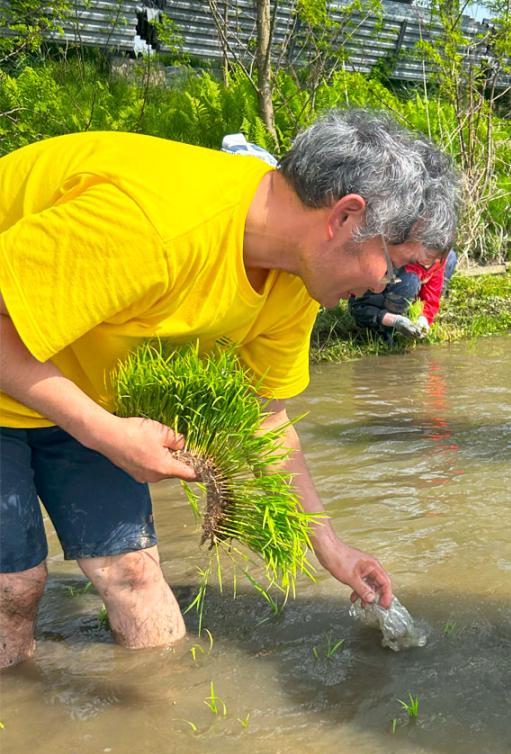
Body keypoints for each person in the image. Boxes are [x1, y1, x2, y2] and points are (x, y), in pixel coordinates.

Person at [0, 109, 458, 668]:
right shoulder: (157, 224)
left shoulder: (297, 277)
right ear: (345, 216)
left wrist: (332, 547)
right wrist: (105, 432)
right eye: (397, 267)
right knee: (15, 587)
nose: (391, 287)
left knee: (133, 573)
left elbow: (268, 416)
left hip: (80, 385)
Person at [348, 249, 458, 340]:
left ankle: (406, 309)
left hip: (406, 286)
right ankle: (384, 327)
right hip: (378, 298)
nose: (431, 262)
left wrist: (424, 318)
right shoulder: (390, 256)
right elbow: (359, 308)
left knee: (451, 256)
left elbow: (431, 296)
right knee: (410, 281)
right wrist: (394, 321)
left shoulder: (438, 258)